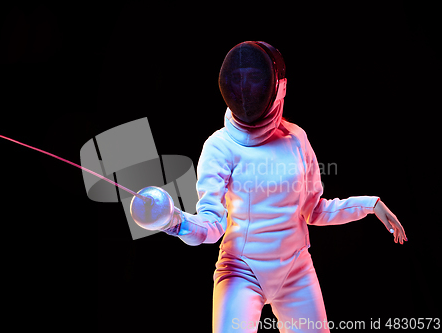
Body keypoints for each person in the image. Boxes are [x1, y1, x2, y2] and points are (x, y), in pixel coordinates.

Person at [160, 41, 407, 333]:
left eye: (255, 77)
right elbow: (212, 226)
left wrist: (369, 204)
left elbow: (314, 210)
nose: (246, 88)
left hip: (295, 272)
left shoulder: (296, 139)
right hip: (240, 272)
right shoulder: (219, 147)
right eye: (239, 79)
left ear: (279, 87)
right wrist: (176, 221)